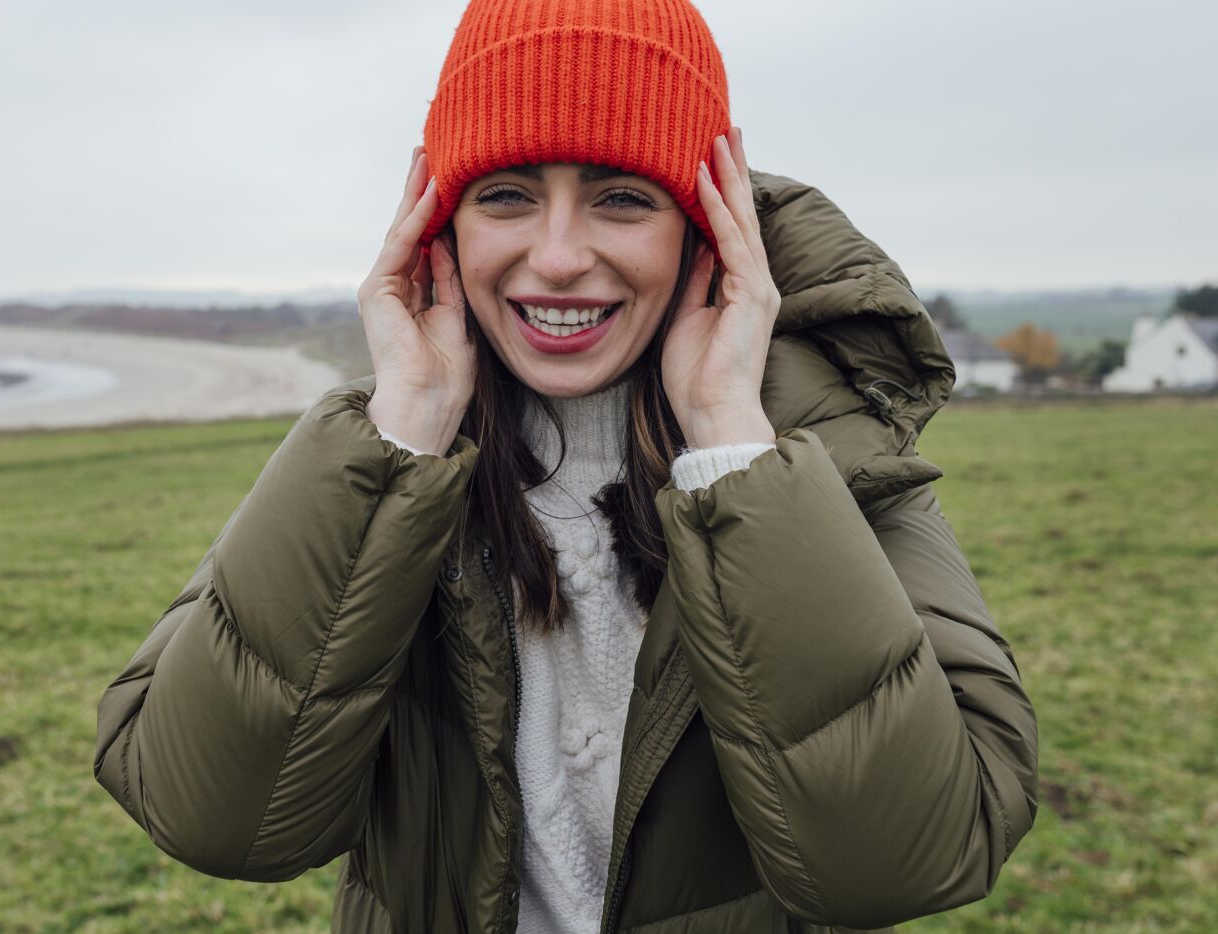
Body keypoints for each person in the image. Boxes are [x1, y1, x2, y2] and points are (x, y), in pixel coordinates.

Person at [93, 0, 1039, 931]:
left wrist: (732, 446)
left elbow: (915, 854)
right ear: (440, 224)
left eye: (622, 197)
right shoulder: (383, 455)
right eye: (505, 194)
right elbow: (217, 820)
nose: (555, 258)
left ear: (706, 228)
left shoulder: (818, 446)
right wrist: (405, 430)